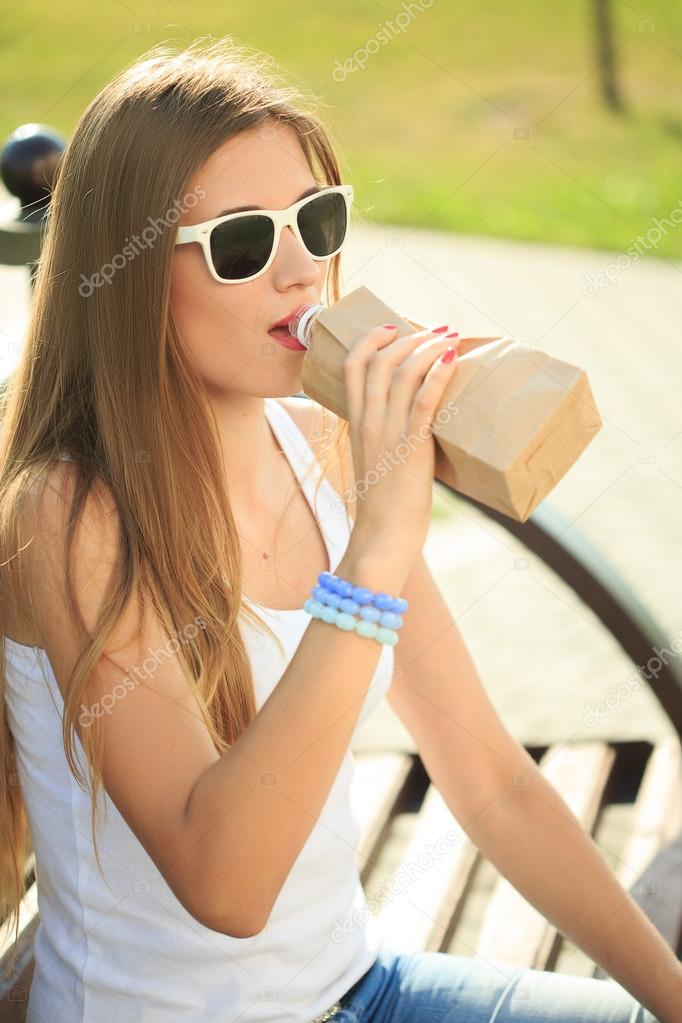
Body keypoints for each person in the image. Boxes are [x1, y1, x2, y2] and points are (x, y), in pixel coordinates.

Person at [0, 36, 678, 1023]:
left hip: (359, 986)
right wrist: (374, 553)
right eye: (241, 244)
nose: (300, 273)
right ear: (135, 278)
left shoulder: (319, 445)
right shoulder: (69, 516)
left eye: (315, 223)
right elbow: (225, 888)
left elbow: (487, 778)